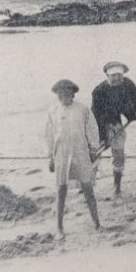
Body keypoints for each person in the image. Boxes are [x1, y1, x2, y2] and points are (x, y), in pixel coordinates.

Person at [46, 78, 101, 235]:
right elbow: (49, 135)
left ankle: (97, 224)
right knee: (61, 189)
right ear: (57, 94)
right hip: (61, 154)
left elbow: (92, 130)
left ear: (73, 93)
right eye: (60, 92)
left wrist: (94, 149)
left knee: (88, 188)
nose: (63, 95)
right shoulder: (53, 111)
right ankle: (59, 227)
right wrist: (50, 157)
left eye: (67, 91)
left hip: (80, 152)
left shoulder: (82, 109)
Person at [91, 61, 136, 198]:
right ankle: (88, 185)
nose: (117, 79)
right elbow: (95, 116)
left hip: (116, 123)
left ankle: (117, 186)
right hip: (99, 124)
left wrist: (132, 113)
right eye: (114, 76)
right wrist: (103, 137)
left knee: (119, 154)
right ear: (108, 76)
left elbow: (135, 97)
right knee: (95, 153)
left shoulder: (127, 84)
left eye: (120, 76)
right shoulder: (98, 91)